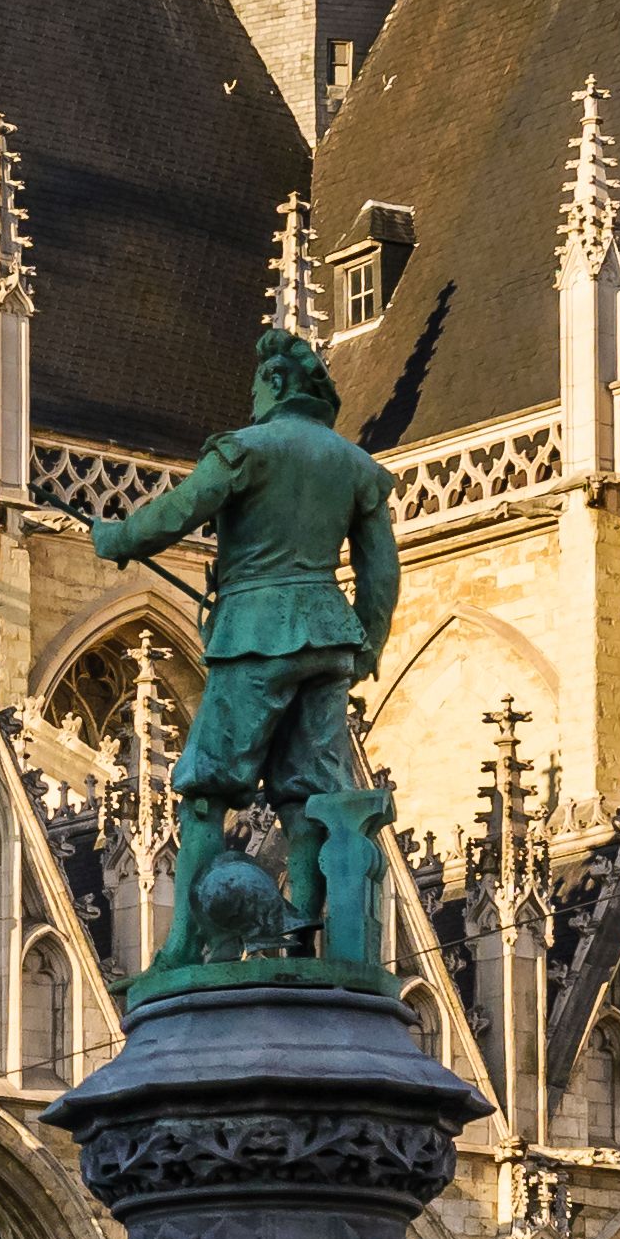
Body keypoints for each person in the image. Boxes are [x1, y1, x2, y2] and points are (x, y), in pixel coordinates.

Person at [82, 326, 403, 973]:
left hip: (256, 633)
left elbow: (176, 513)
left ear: (278, 383)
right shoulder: (355, 467)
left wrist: (117, 538)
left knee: (206, 786)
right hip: (329, 636)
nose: (252, 397)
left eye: (258, 384)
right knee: (306, 790)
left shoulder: (246, 450)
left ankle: (181, 945)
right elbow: (380, 575)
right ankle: (302, 928)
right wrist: (365, 645)